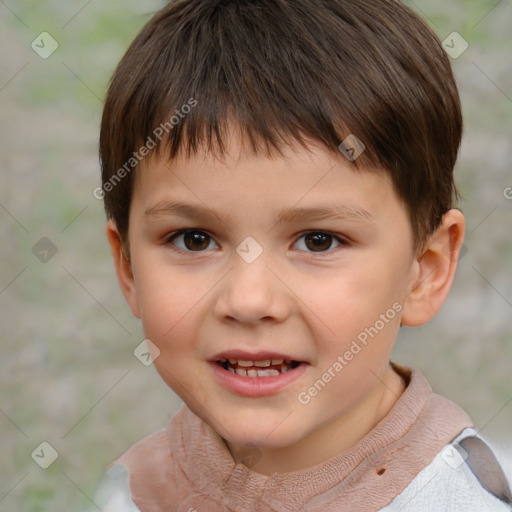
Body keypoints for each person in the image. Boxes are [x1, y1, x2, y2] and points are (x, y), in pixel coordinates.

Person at [95, 0, 512, 510]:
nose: (249, 301)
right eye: (194, 239)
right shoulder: (130, 489)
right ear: (129, 268)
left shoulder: (458, 500)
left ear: (424, 271)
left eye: (319, 240)